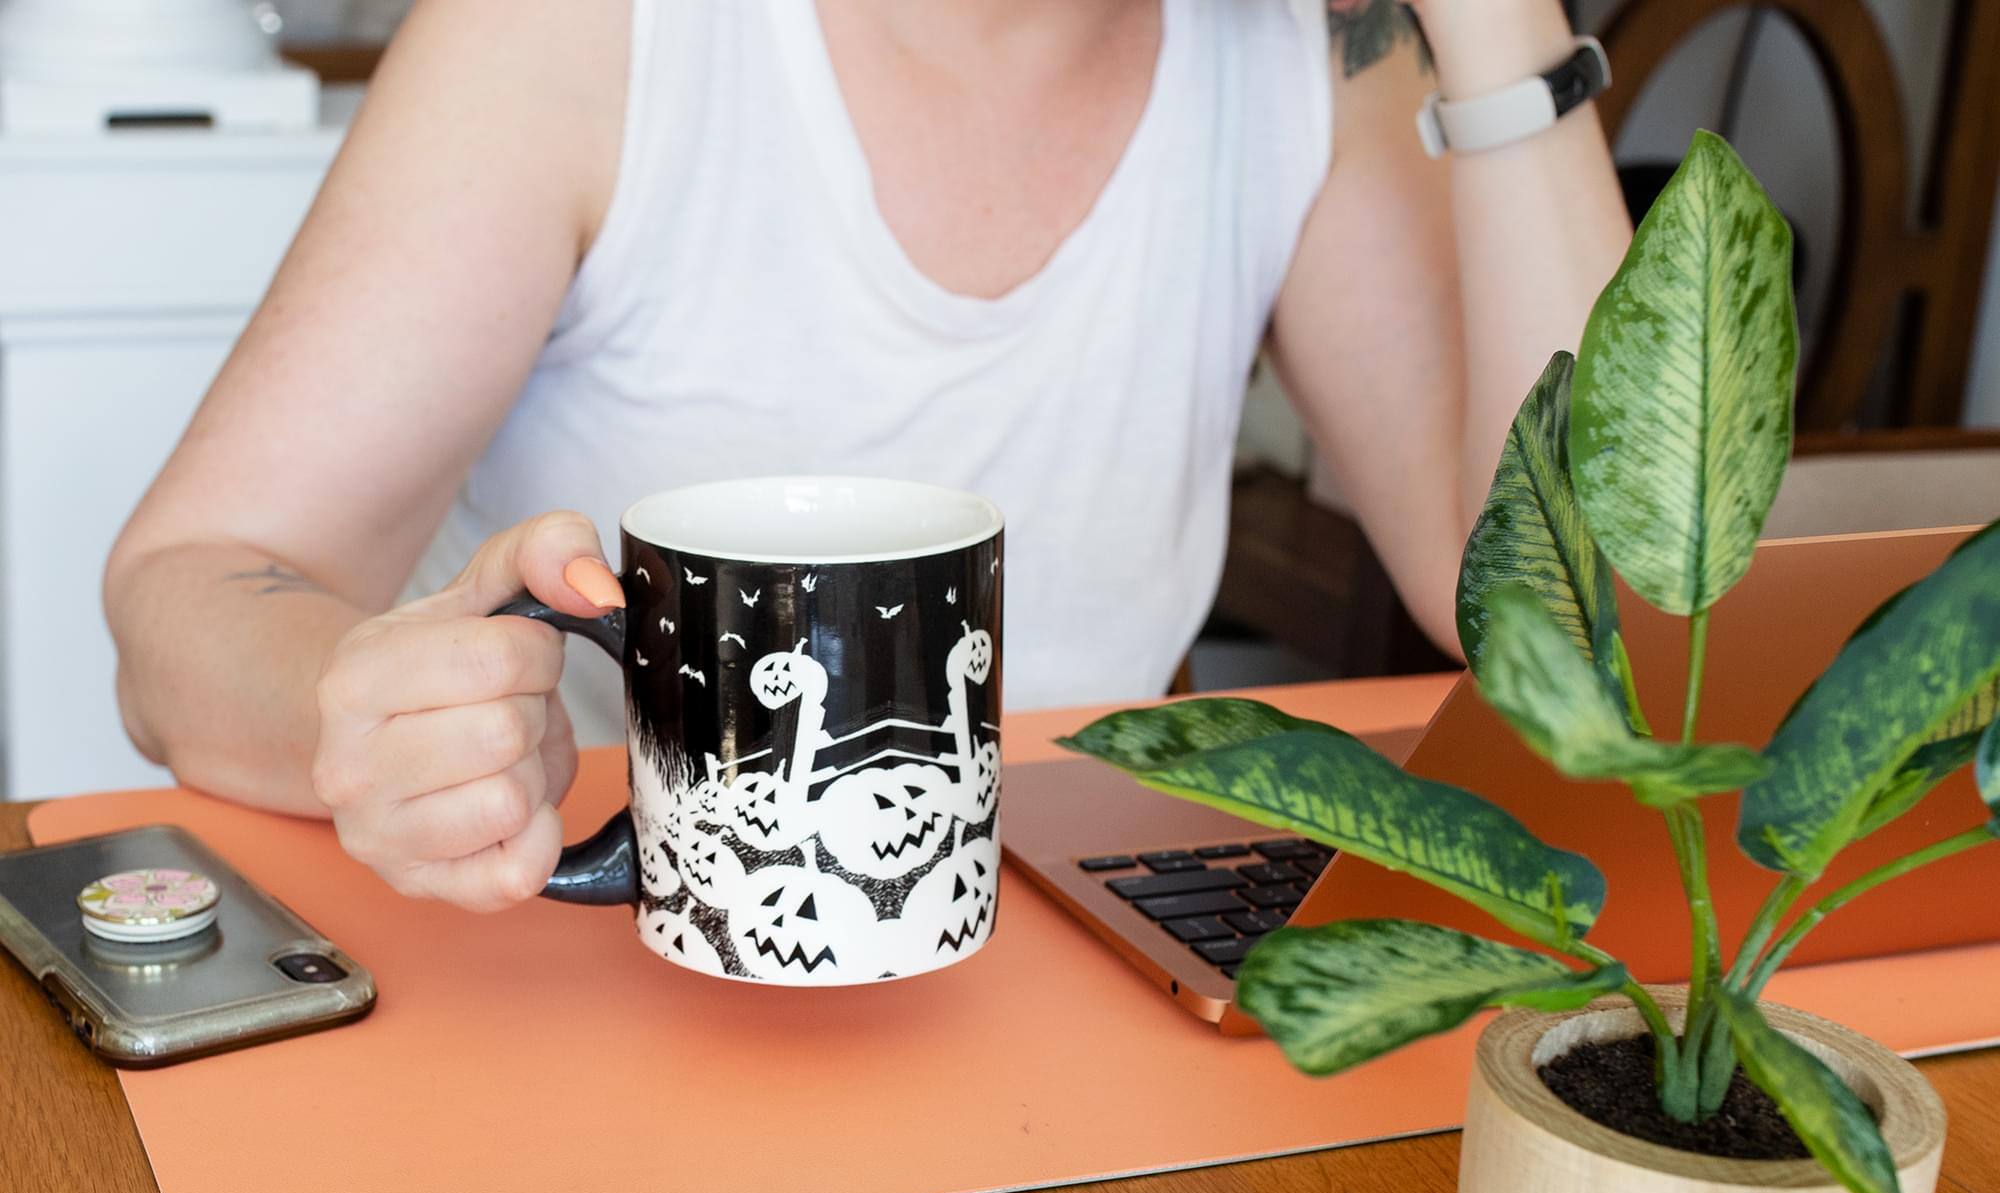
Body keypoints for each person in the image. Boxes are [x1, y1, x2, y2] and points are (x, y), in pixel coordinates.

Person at [104, 0, 1629, 912]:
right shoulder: (585, 36)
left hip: (1078, 975)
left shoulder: (1317, 59)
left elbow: (1597, 622)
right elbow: (185, 597)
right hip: (600, 966)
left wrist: (1502, 28)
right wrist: (375, 716)